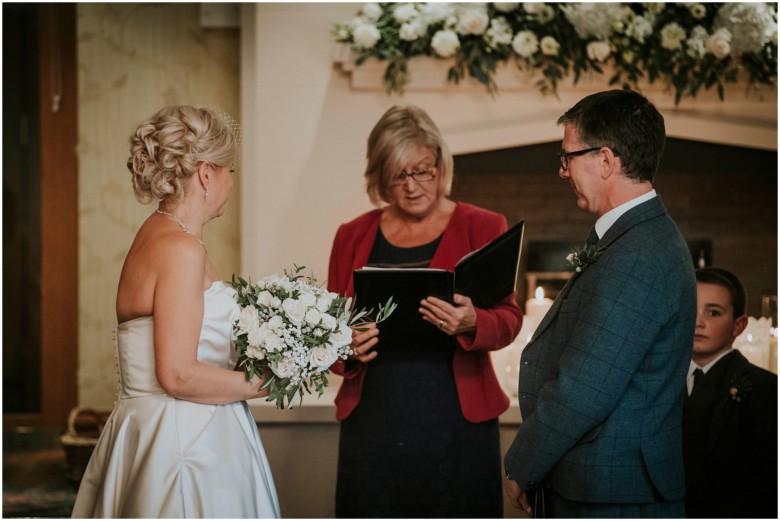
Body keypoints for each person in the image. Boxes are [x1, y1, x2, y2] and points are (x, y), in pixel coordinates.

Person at [71, 106, 280, 518]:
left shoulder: (158, 234)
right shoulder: (181, 249)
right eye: (229, 170)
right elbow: (178, 375)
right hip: (186, 442)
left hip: (151, 428)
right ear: (206, 173)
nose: (231, 182)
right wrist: (271, 382)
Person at [503, 89, 697, 518]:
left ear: (606, 160)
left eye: (567, 157)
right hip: (606, 484)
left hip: (615, 493)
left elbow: (585, 386)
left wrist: (523, 464)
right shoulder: (634, 237)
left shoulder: (640, 253)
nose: (563, 171)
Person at [327, 104, 522, 518]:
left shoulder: (483, 225)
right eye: (399, 175)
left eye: (423, 170)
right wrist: (345, 345)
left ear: (441, 165)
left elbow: (509, 319)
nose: (413, 185)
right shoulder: (351, 235)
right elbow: (325, 333)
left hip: (457, 423)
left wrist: (473, 321)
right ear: (380, 177)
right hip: (374, 422)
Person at [683, 267, 777, 518]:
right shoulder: (659, 382)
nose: (697, 322)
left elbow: (767, 479)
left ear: (739, 325)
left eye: (713, 312)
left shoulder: (766, 389)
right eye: (690, 309)